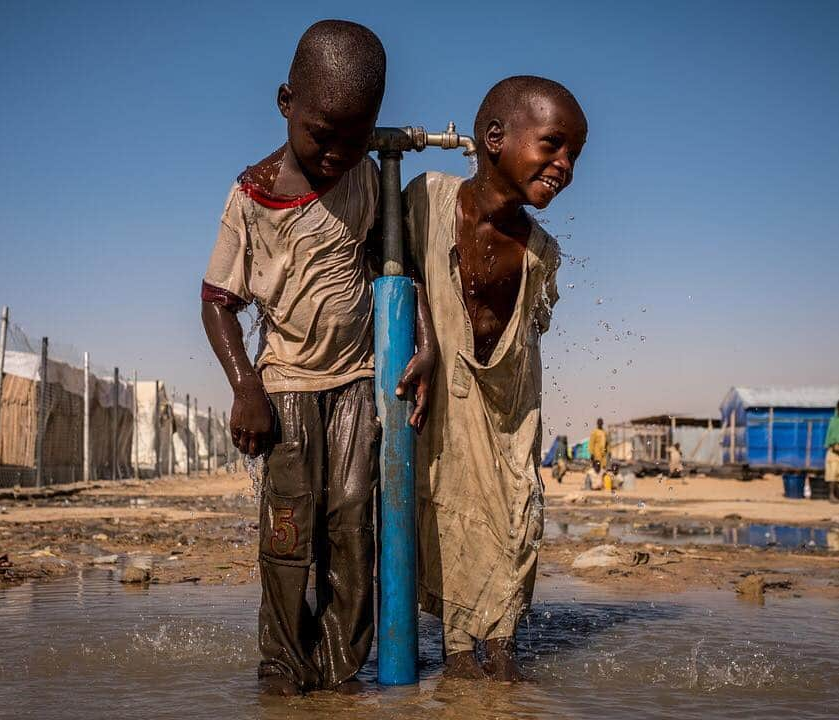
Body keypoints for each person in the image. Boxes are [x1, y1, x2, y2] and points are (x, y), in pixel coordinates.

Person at [199, 20, 434, 696]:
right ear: (286, 102)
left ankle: (338, 670)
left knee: (355, 523)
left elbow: (398, 270)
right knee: (288, 531)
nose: (334, 153)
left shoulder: (363, 178)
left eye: (354, 138)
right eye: (320, 134)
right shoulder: (253, 195)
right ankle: (280, 663)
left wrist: (427, 343)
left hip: (359, 384)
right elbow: (218, 301)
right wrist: (245, 388)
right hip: (288, 386)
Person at [404, 75, 587, 681]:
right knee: (447, 507)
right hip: (443, 392)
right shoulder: (426, 201)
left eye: (573, 156)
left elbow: (533, 333)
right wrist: (429, 339)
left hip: (511, 407)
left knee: (515, 519)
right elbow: (400, 270)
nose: (564, 166)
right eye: (553, 146)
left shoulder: (540, 251)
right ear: (493, 138)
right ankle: (458, 655)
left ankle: (504, 650)